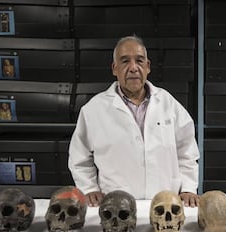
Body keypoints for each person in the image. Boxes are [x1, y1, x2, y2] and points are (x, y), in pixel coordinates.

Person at [68, 35, 200, 208]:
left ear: (148, 67)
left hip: (166, 207)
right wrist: (89, 189)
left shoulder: (168, 104)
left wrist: (189, 188)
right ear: (114, 68)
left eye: (139, 60)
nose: (133, 68)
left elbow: (187, 151)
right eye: (124, 61)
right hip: (116, 210)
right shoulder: (94, 109)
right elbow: (79, 157)